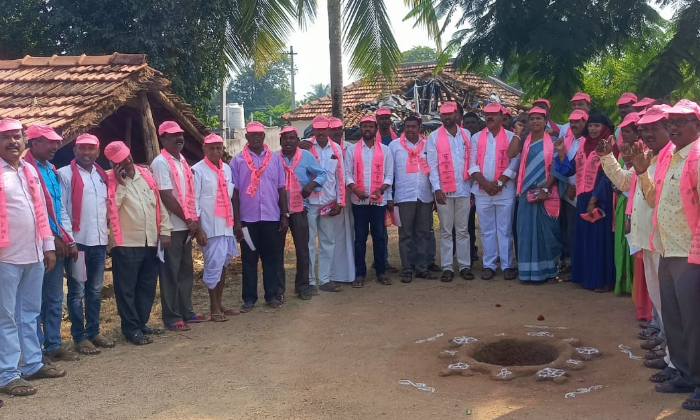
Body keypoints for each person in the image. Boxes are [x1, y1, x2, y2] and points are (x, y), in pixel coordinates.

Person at [601, 105, 675, 377]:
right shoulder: (650, 157)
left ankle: (675, 361)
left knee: (671, 305)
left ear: (670, 128)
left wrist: (641, 172)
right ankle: (671, 355)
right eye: (644, 128)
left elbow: (658, 199)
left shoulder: (672, 158)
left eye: (654, 127)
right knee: (660, 301)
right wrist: (608, 158)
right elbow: (625, 183)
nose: (647, 133)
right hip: (647, 238)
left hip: (666, 241)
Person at [639, 99, 700, 410]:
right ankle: (685, 374)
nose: (673, 126)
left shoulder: (698, 157)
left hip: (691, 254)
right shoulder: (672, 157)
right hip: (666, 248)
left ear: (697, 125)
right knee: (675, 319)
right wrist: (640, 171)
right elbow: (653, 200)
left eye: (681, 121)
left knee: (695, 321)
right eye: (671, 121)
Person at [0, 118, 63, 398]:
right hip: (5, 258)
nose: (13, 141)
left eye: (17, 136)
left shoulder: (29, 170)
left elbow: (40, 210)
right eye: (6, 137)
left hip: (34, 254)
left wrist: (48, 246)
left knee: (29, 314)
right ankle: (8, 374)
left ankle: (32, 363)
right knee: (6, 317)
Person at [104, 141, 172, 345]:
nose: (126, 162)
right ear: (112, 163)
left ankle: (141, 323)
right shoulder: (109, 180)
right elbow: (110, 211)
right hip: (126, 243)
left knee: (147, 286)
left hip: (150, 241)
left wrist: (165, 230)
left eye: (127, 157)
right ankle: (131, 329)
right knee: (126, 289)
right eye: (120, 161)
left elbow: (158, 204)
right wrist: (121, 185)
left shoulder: (146, 175)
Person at [24, 124, 79, 362]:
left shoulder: (51, 170)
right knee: (33, 301)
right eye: (50, 142)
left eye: (56, 142)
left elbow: (59, 209)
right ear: (35, 143)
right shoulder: (26, 170)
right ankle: (35, 349)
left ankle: (53, 344)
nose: (56, 146)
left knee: (55, 297)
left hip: (57, 242)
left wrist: (68, 238)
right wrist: (53, 238)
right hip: (35, 245)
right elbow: (35, 211)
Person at [58, 133, 115, 355]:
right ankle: (79, 337)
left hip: (98, 243)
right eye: (82, 148)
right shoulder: (64, 175)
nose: (86, 152)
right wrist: (69, 240)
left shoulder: (102, 176)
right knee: (77, 291)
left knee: (94, 289)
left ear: (98, 152)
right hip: (78, 245)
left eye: (91, 148)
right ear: (74, 151)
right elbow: (61, 208)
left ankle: (93, 332)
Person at [151, 121, 210, 331]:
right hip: (172, 227)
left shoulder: (182, 160)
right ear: (162, 139)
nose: (178, 138)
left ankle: (186, 311)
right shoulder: (161, 163)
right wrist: (187, 220)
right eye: (172, 135)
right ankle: (172, 316)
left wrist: (193, 223)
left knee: (185, 271)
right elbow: (166, 196)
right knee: (170, 273)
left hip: (186, 226)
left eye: (180, 135)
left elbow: (189, 195)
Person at [554, 114, 617, 292]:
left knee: (599, 240)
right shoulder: (584, 144)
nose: (593, 129)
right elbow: (570, 169)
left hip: (600, 200)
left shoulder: (609, 145)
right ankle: (586, 277)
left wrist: (594, 200)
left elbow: (608, 176)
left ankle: (602, 280)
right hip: (582, 199)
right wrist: (560, 152)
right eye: (591, 126)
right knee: (585, 239)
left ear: (604, 127)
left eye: (597, 126)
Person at [231, 121, 288, 311]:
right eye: (252, 134)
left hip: (271, 217)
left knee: (271, 259)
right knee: (249, 260)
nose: (256, 137)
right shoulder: (237, 161)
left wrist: (284, 215)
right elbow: (235, 193)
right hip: (248, 220)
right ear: (246, 137)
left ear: (264, 137)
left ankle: (272, 295)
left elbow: (281, 188)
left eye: (259, 134)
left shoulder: (275, 159)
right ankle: (249, 299)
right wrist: (237, 221)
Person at [508, 107, 561, 282]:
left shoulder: (553, 141)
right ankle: (527, 272)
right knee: (525, 231)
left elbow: (556, 167)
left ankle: (548, 272)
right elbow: (511, 153)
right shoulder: (524, 141)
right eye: (532, 119)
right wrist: (517, 133)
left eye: (539, 118)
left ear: (546, 121)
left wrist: (546, 188)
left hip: (546, 193)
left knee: (547, 233)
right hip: (526, 193)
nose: (535, 122)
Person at [468, 103, 520, 280]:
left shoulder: (512, 136)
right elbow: (472, 163)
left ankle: (507, 265)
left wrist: (499, 182)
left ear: (501, 116)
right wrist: (484, 183)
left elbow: (514, 162)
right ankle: (489, 265)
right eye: (486, 114)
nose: (489, 117)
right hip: (482, 191)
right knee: (486, 229)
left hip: (504, 190)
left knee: (504, 229)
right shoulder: (476, 138)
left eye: (493, 114)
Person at [192, 133, 239, 322]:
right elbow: (194, 201)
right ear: (204, 149)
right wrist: (198, 229)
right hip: (210, 228)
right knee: (213, 266)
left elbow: (230, 197)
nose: (216, 151)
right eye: (211, 148)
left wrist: (236, 225)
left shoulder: (226, 169)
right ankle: (213, 307)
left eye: (219, 148)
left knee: (224, 264)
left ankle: (220, 303)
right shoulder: (197, 170)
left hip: (226, 226)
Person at [427, 101, 474, 282]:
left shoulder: (466, 134)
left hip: (463, 189)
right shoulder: (433, 137)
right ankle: (447, 267)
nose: (447, 117)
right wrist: (436, 189)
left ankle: (464, 266)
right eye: (444, 114)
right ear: (440, 116)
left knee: (462, 230)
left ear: (456, 115)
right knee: (446, 230)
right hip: (443, 192)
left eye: (450, 114)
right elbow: (432, 166)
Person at [344, 115, 394, 287]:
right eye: (364, 126)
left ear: (376, 129)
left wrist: (381, 190)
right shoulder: (351, 150)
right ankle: (360, 274)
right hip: (358, 203)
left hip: (378, 202)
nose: (367, 129)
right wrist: (355, 189)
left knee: (379, 237)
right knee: (360, 238)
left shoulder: (385, 151)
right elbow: (347, 173)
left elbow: (389, 175)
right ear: (360, 128)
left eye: (370, 126)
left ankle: (381, 272)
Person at [277, 125, 326, 298]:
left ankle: (303, 286)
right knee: (277, 251)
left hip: (299, 208)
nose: (288, 141)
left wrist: (311, 185)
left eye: (292, 138)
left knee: (303, 249)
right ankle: (278, 290)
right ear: (280, 141)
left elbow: (322, 174)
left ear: (298, 141)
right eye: (285, 138)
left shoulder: (306, 156)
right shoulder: (275, 158)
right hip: (279, 211)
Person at [389, 115, 436, 283]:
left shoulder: (428, 144)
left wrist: (435, 194)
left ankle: (422, 268)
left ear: (419, 128)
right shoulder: (394, 147)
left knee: (423, 233)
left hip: (424, 195)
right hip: (404, 196)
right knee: (406, 234)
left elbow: (433, 169)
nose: (410, 129)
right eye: (407, 126)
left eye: (413, 126)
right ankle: (407, 269)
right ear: (403, 128)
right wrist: (390, 197)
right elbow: (389, 173)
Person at [306, 117, 346, 293]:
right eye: (317, 129)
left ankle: (324, 279)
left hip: (328, 202)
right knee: (308, 242)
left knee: (327, 241)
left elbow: (340, 177)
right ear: (313, 131)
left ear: (329, 131)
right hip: (309, 203)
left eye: (324, 129)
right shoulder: (305, 147)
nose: (321, 133)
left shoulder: (336, 148)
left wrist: (340, 202)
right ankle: (309, 281)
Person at [554, 110, 588, 279]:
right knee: (568, 230)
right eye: (571, 122)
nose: (574, 125)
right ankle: (571, 265)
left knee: (581, 231)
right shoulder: (566, 140)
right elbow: (562, 168)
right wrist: (567, 186)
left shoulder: (589, 142)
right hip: (567, 192)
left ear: (585, 122)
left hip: (584, 192)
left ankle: (581, 267)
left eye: (578, 122)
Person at [611, 113, 641, 295]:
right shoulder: (624, 152)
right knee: (622, 244)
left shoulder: (640, 151)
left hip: (635, 203)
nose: (625, 135)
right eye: (623, 131)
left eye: (628, 131)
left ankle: (634, 286)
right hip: (623, 201)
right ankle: (623, 283)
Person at [327, 117, 356, 284]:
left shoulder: (350, 148)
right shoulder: (322, 149)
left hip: (350, 196)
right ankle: (334, 273)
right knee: (334, 235)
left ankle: (351, 272)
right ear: (328, 131)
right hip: (332, 198)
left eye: (340, 129)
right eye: (334, 129)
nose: (337, 132)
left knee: (350, 232)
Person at [375, 107, 399, 272]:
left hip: (397, 186)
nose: (384, 121)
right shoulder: (372, 139)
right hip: (379, 189)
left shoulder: (396, 139)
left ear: (391, 120)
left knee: (402, 224)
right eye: (381, 118)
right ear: (377, 120)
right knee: (379, 227)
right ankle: (381, 261)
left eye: (387, 118)